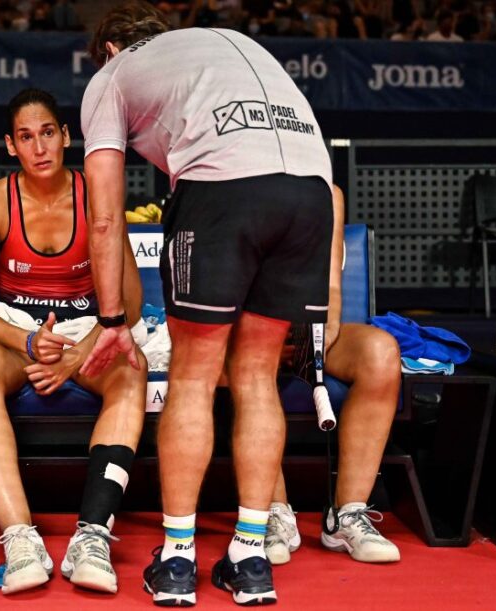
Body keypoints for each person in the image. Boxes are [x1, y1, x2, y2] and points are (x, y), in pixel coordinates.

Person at [80, 2, 333, 605]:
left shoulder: (113, 75)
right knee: (256, 375)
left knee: (194, 377)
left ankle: (176, 560)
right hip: (312, 193)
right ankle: (249, 559)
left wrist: (113, 320)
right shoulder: (223, 42)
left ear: (111, 49)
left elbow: (106, 216)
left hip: (224, 192)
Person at [0, 88, 147, 596]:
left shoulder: (96, 194)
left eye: (47, 133)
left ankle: (93, 536)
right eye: (25, 137)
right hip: (18, 334)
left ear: (65, 137)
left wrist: (79, 354)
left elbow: (130, 298)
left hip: (91, 331)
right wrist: (26, 340)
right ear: (10, 146)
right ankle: (20, 537)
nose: (38, 147)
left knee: (131, 367)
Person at [262, 185, 401, 566]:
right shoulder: (233, 186)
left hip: (316, 331)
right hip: (254, 331)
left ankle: (348, 515)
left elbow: (331, 290)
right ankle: (270, 512)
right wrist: (268, 341)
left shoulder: (326, 193)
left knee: (381, 352)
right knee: (248, 364)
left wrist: (314, 345)